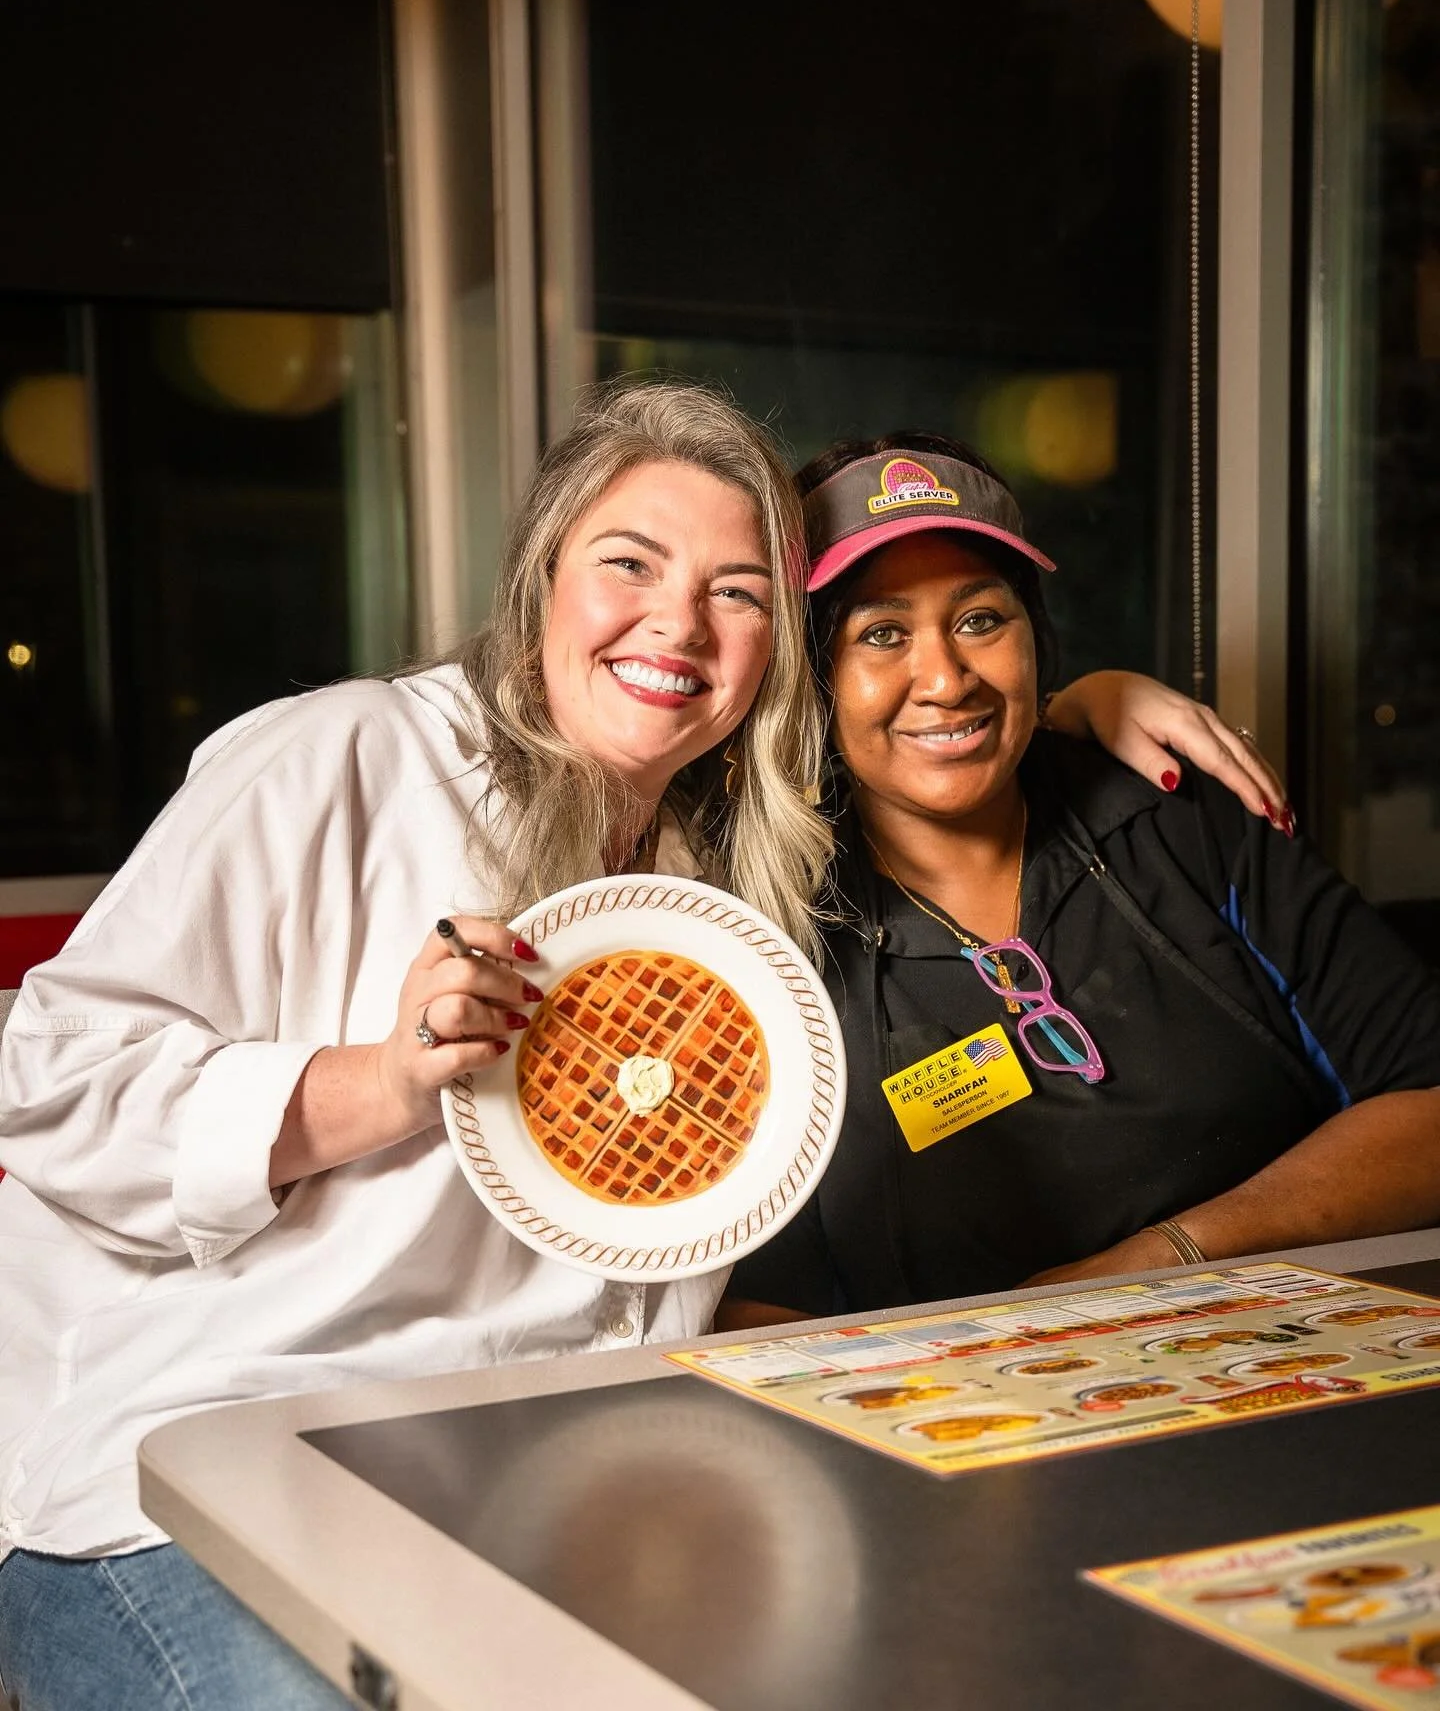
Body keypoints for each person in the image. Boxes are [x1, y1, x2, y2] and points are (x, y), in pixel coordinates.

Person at [0, 383, 1285, 1710]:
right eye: (630, 563)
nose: (678, 621)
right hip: (189, 1476)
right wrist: (378, 1082)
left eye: (738, 592)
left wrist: (1083, 706)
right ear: (541, 579)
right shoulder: (342, 759)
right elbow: (49, 1083)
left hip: (548, 1474)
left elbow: (934, 725)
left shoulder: (733, 865)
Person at [724, 434, 1440, 1326]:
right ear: (811, 677)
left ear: (1038, 640)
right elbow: (747, 1302)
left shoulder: (1175, 820)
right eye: (881, 633)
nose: (946, 678)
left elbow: (1427, 1100)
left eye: (982, 619)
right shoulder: (765, 937)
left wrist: (1159, 1262)